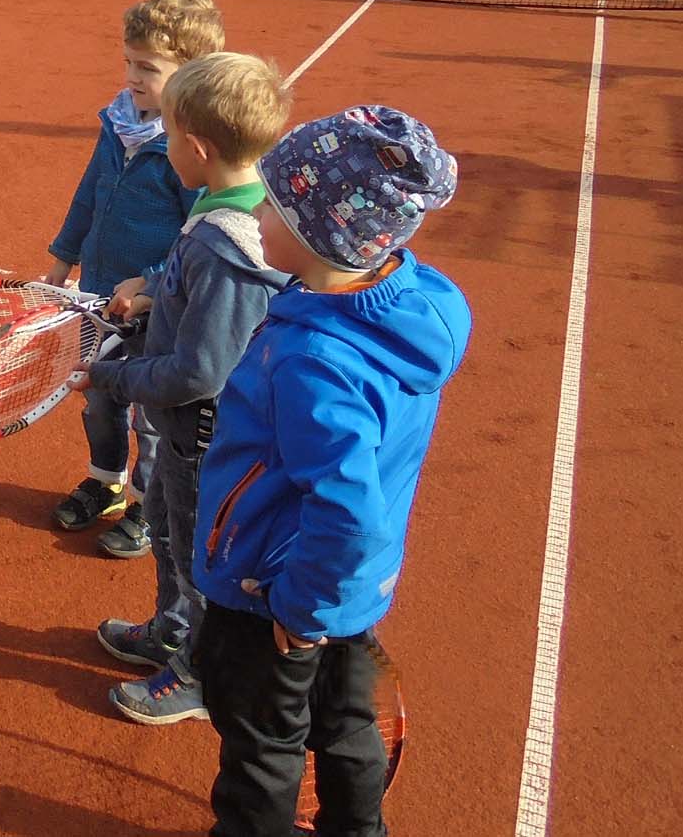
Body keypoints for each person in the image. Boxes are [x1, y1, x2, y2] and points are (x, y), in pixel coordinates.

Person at [193, 106, 469, 836]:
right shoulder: (415, 300)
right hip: (352, 589)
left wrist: (296, 615)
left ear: (321, 235)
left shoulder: (314, 363)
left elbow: (346, 509)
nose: (256, 211)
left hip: (276, 592)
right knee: (347, 723)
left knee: (261, 744)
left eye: (274, 205)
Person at [68, 53, 292, 725]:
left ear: (194, 148)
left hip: (203, 430)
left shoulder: (229, 244)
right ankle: (173, 631)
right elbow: (191, 278)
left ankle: (198, 671)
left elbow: (201, 369)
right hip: (181, 427)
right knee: (165, 529)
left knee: (198, 551)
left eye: (166, 131)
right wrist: (151, 285)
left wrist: (112, 373)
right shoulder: (230, 208)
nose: (162, 143)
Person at [42, 0, 222, 546]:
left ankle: (148, 503)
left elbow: (200, 234)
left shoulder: (190, 146)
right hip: (97, 295)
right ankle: (105, 481)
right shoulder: (117, 121)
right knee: (100, 400)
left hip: (156, 308)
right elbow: (89, 195)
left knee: (149, 413)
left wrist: (150, 283)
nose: (133, 76)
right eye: (129, 62)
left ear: (190, 75)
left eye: (149, 67)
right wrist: (61, 258)